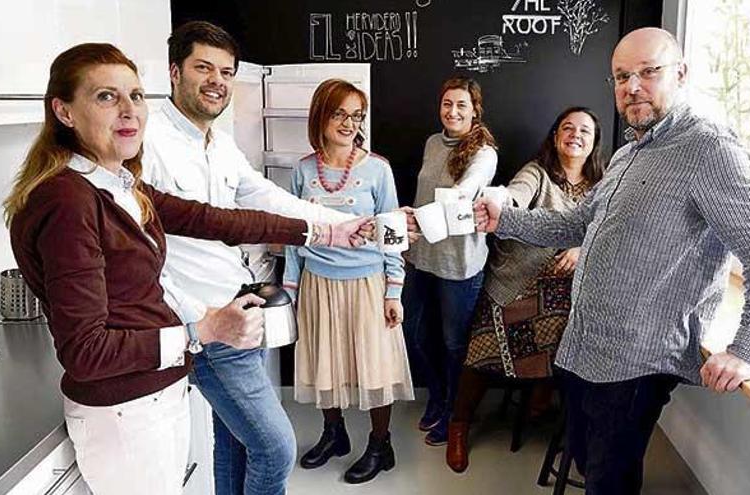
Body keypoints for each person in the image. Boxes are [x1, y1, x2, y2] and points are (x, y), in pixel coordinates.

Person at [4, 43, 369, 495]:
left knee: (235, 447)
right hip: (125, 411)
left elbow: (219, 219)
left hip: (156, 391)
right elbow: (86, 351)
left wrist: (328, 232)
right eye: (106, 97)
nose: (128, 111)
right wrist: (202, 330)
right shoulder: (68, 200)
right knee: (274, 448)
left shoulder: (121, 184)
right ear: (64, 111)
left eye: (136, 96)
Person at [476, 27, 750, 494]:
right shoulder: (630, 152)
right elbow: (576, 224)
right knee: (591, 467)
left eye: (649, 72)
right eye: (622, 76)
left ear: (681, 73)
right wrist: (503, 218)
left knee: (609, 485)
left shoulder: (708, 148)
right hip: (584, 347)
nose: (632, 87)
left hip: (636, 362)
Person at [140, 21, 357, 495]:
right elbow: (143, 246)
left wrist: (334, 225)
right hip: (207, 322)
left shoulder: (217, 141)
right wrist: (191, 322)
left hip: (240, 309)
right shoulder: (147, 139)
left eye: (226, 71)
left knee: (234, 441)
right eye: (204, 68)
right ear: (174, 72)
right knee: (276, 448)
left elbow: (259, 192)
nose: (218, 80)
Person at [446, 107, 605, 473]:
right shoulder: (536, 172)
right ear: (555, 136)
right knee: (479, 356)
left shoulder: (602, 185)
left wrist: (581, 251)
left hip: (567, 290)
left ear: (594, 142)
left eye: (585, 130)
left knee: (577, 337)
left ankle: (543, 386)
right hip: (516, 282)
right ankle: (459, 425)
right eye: (567, 127)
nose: (575, 135)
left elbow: (606, 229)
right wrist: (500, 203)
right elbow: (513, 195)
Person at [282, 78, 415, 484]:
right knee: (327, 363)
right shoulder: (302, 170)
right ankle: (333, 433)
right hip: (318, 283)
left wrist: (395, 290)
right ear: (321, 115)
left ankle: (380, 443)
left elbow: (393, 232)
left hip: (368, 284)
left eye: (356, 115)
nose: (348, 123)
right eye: (339, 112)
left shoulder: (378, 169)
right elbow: (294, 234)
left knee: (375, 367)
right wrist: (292, 287)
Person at [402, 77, 498, 446]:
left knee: (454, 343)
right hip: (422, 256)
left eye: (461, 105)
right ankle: (438, 397)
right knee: (413, 333)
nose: (452, 111)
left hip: (460, 263)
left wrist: (439, 207)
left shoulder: (483, 152)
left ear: (475, 110)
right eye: (447, 104)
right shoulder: (431, 142)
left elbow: (467, 189)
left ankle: (455, 413)